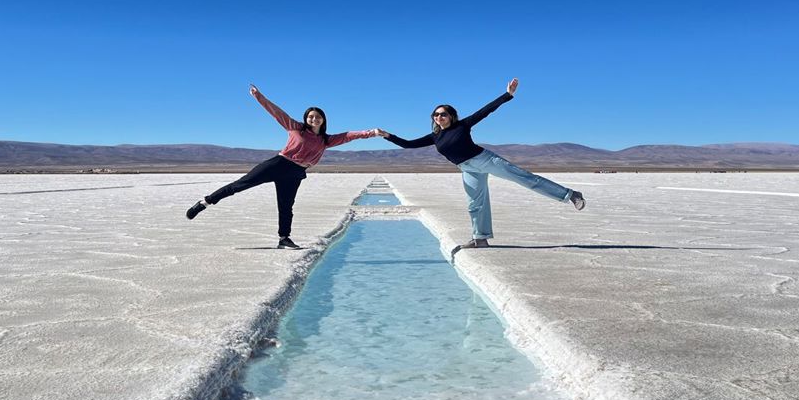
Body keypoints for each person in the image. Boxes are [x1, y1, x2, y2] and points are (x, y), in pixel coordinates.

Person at [377, 78, 585, 249]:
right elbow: (408, 144)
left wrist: (507, 95)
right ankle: (481, 238)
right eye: (436, 114)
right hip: (467, 168)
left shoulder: (462, 125)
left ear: (451, 116)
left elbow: (485, 111)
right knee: (475, 203)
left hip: (485, 160)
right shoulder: (435, 136)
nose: (439, 117)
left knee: (525, 179)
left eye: (443, 114)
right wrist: (387, 135)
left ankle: (571, 195)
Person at [186, 84, 381, 249]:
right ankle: (205, 202)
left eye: (318, 117)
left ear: (323, 120)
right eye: (311, 116)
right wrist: (259, 96)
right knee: (239, 185)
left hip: (296, 173)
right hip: (278, 164)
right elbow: (276, 112)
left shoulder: (326, 140)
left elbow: (349, 136)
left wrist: (371, 132)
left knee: (286, 206)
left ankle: (284, 239)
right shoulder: (295, 127)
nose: (314, 119)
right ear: (306, 118)